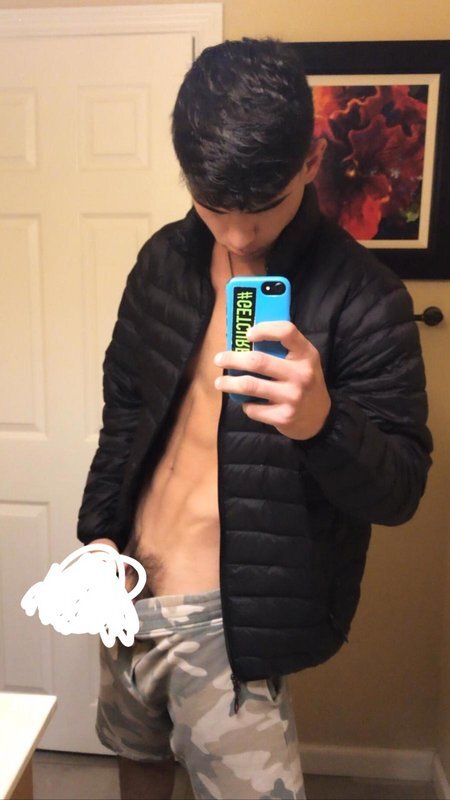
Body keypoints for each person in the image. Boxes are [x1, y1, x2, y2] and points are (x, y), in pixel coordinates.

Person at [77, 38, 433, 800]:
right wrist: (100, 535)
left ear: (310, 161)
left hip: (229, 624)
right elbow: (125, 408)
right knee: (137, 763)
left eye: (262, 208)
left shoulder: (365, 298)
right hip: (126, 587)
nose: (238, 236)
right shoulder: (163, 261)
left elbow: (402, 488)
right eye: (216, 207)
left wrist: (322, 423)